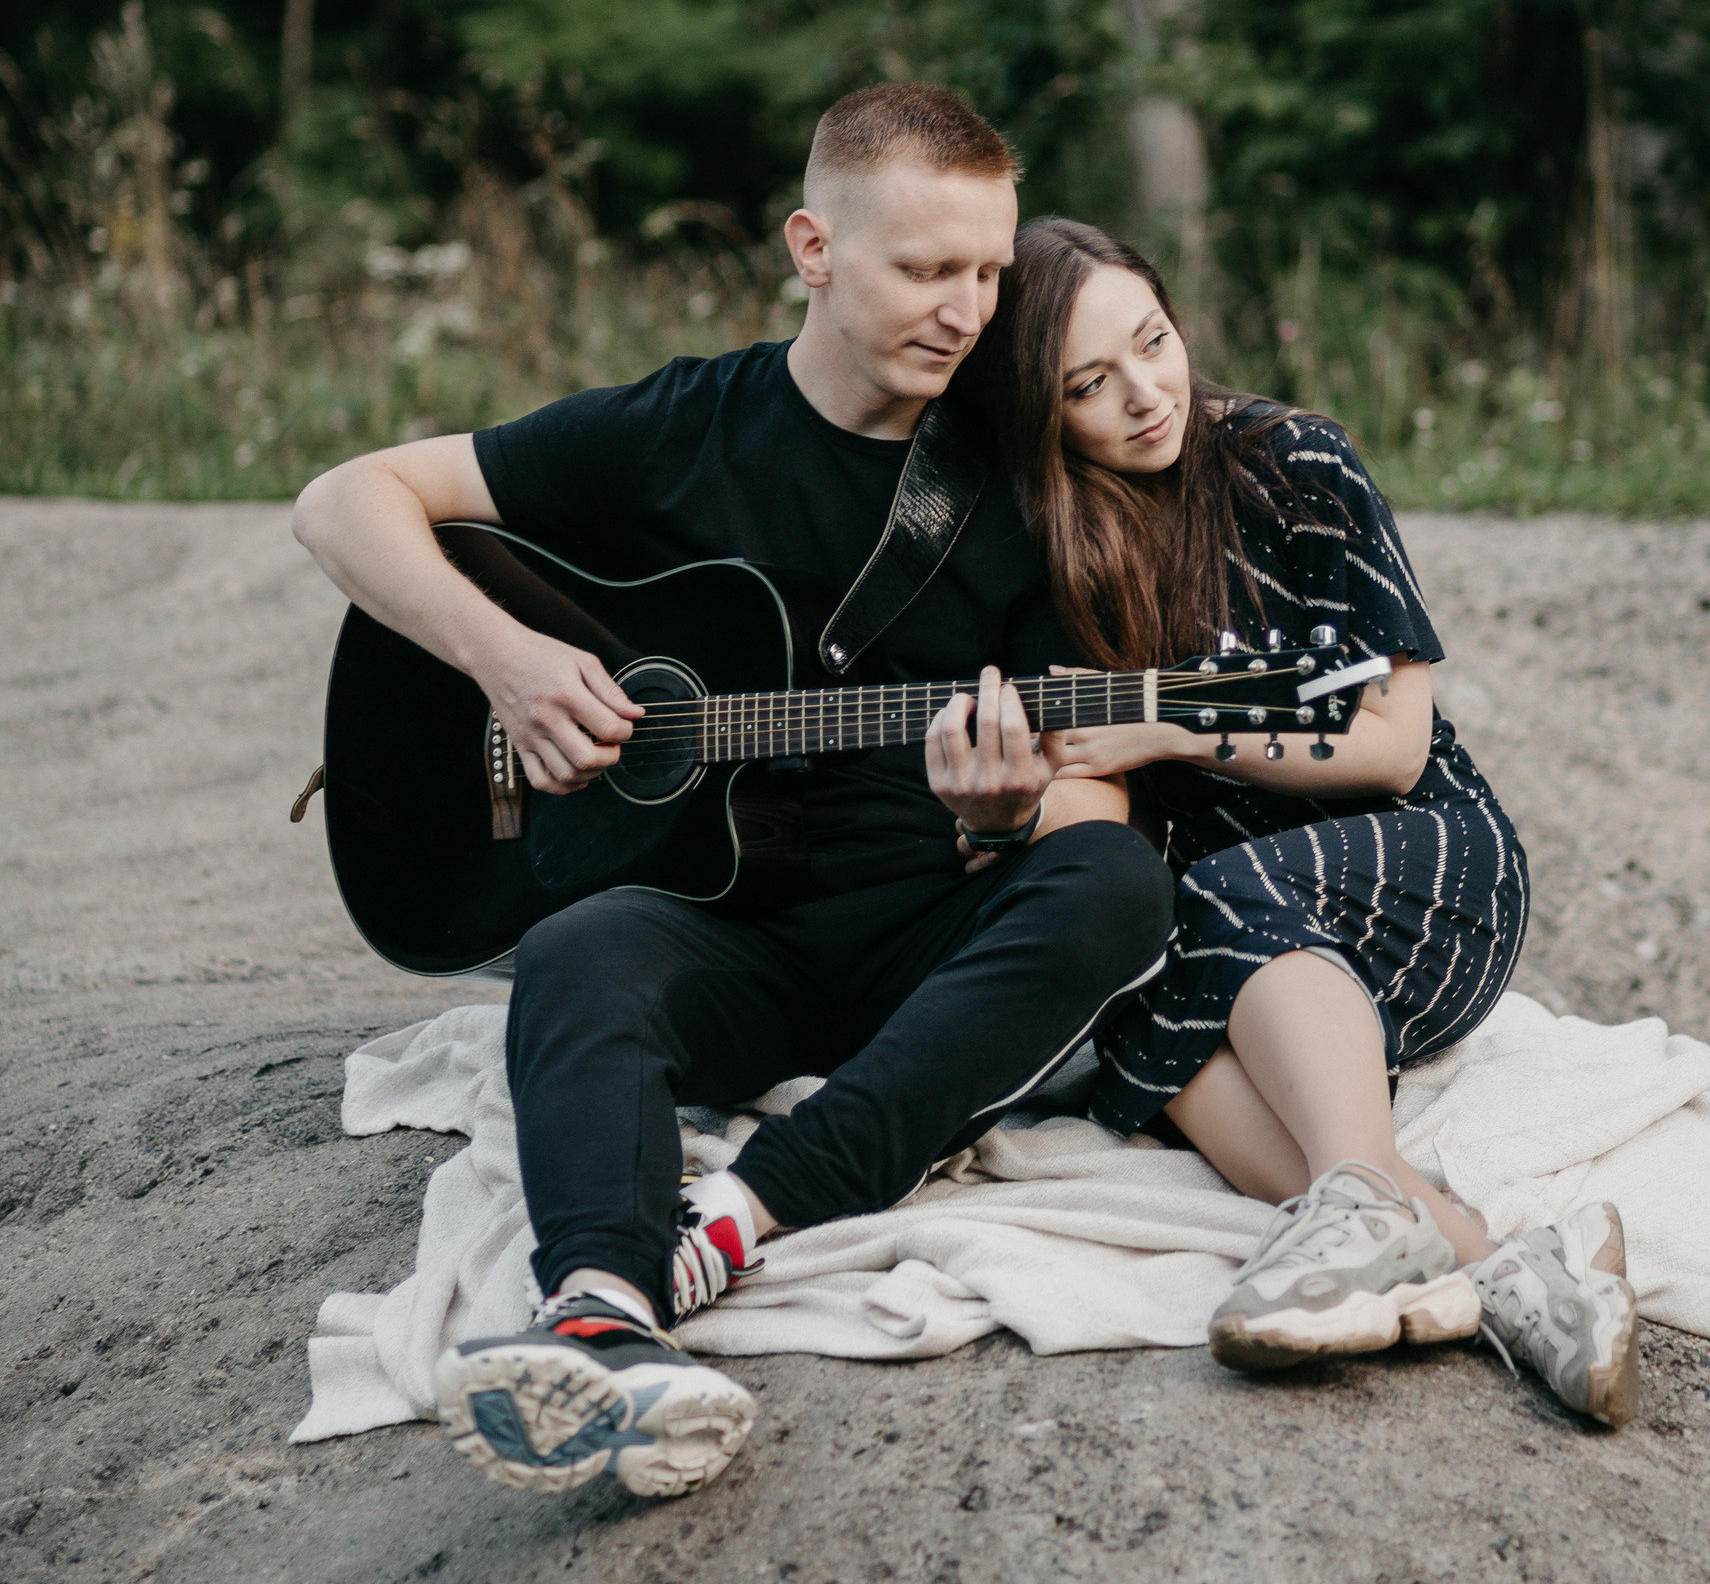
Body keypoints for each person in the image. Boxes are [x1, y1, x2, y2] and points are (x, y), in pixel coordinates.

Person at [292, 92, 1172, 1501]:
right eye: (925, 269)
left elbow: (1065, 816)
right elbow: (345, 501)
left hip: (916, 942)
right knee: (580, 951)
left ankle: (735, 1221)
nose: (966, 311)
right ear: (813, 249)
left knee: (1115, 888)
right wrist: (509, 661)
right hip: (720, 943)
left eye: (989, 271)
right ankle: (598, 1311)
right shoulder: (680, 427)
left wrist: (1000, 819)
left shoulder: (1017, 481)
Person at [956, 216, 1641, 1427]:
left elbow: (1394, 743)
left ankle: (1363, 1210)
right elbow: (1086, 805)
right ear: (1039, 417)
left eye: (1152, 343)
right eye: (1088, 386)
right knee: (1125, 1007)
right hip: (1249, 942)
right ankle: (1502, 1269)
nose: (1144, 394)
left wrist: (1172, 724)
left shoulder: (1294, 463)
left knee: (1222, 891)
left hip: (1425, 864)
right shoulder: (1057, 544)